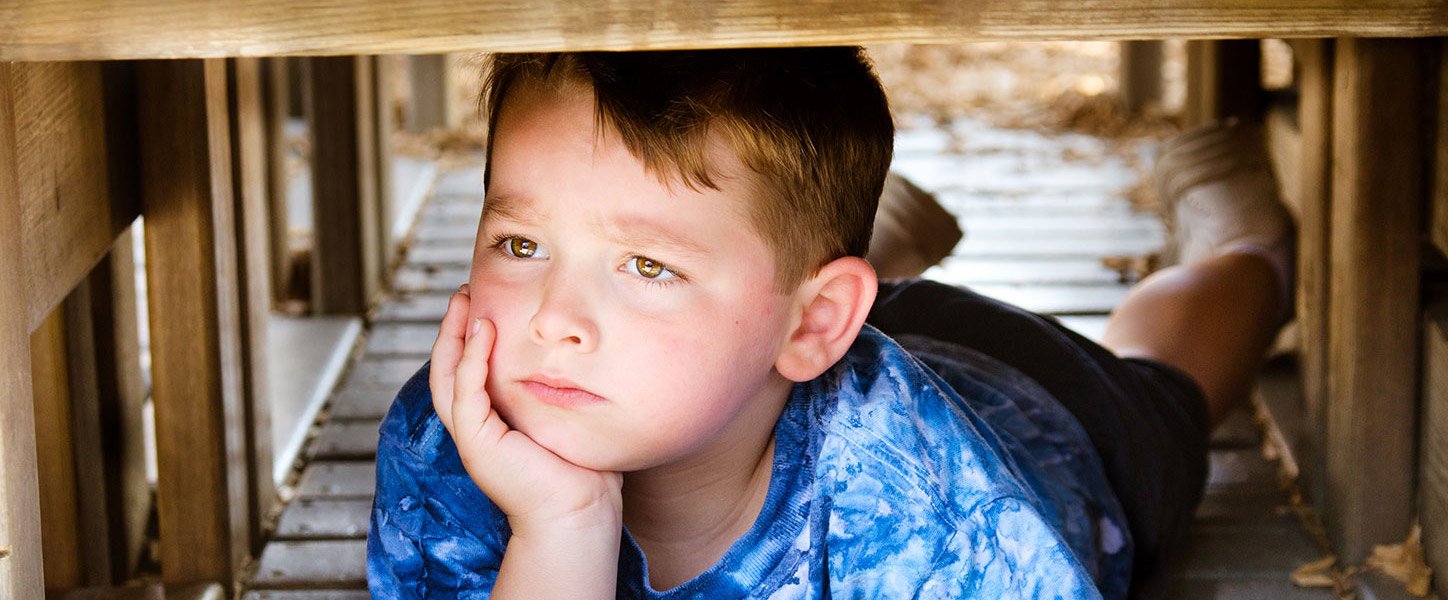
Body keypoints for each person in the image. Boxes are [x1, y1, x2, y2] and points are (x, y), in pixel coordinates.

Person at [366, 47, 1293, 599]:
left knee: (1167, 385)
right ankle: (870, 240)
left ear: (816, 322)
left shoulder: (932, 513)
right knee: (760, 271)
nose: (551, 319)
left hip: (1039, 413)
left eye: (648, 266)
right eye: (521, 245)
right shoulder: (457, 434)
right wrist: (562, 525)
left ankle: (1241, 230)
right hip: (784, 351)